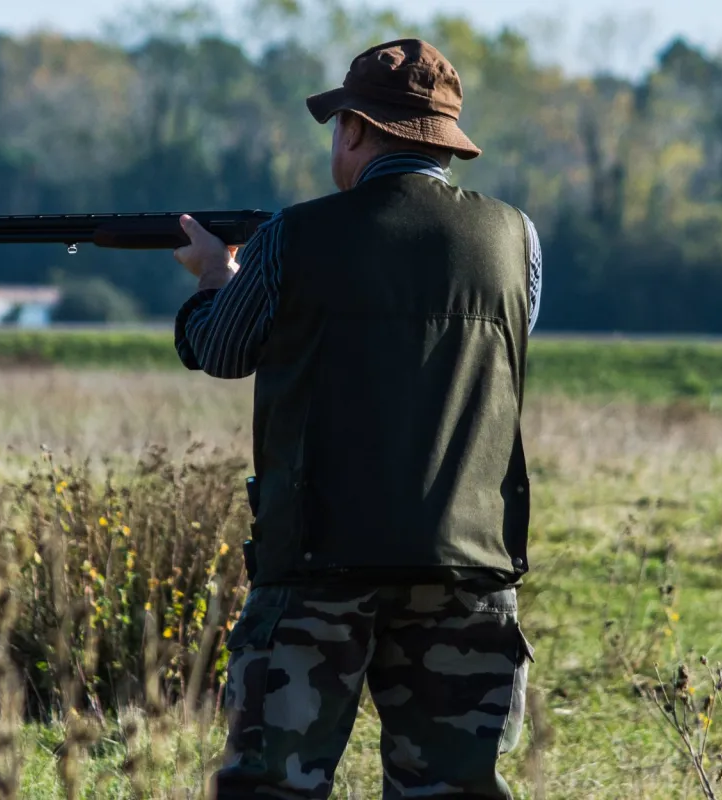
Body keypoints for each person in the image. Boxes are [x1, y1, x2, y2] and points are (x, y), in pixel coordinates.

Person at [171, 39, 543, 799]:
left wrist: (215, 276)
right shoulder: (518, 241)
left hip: (318, 566)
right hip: (466, 566)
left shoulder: (293, 235)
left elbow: (220, 349)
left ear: (355, 130)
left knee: (271, 787)